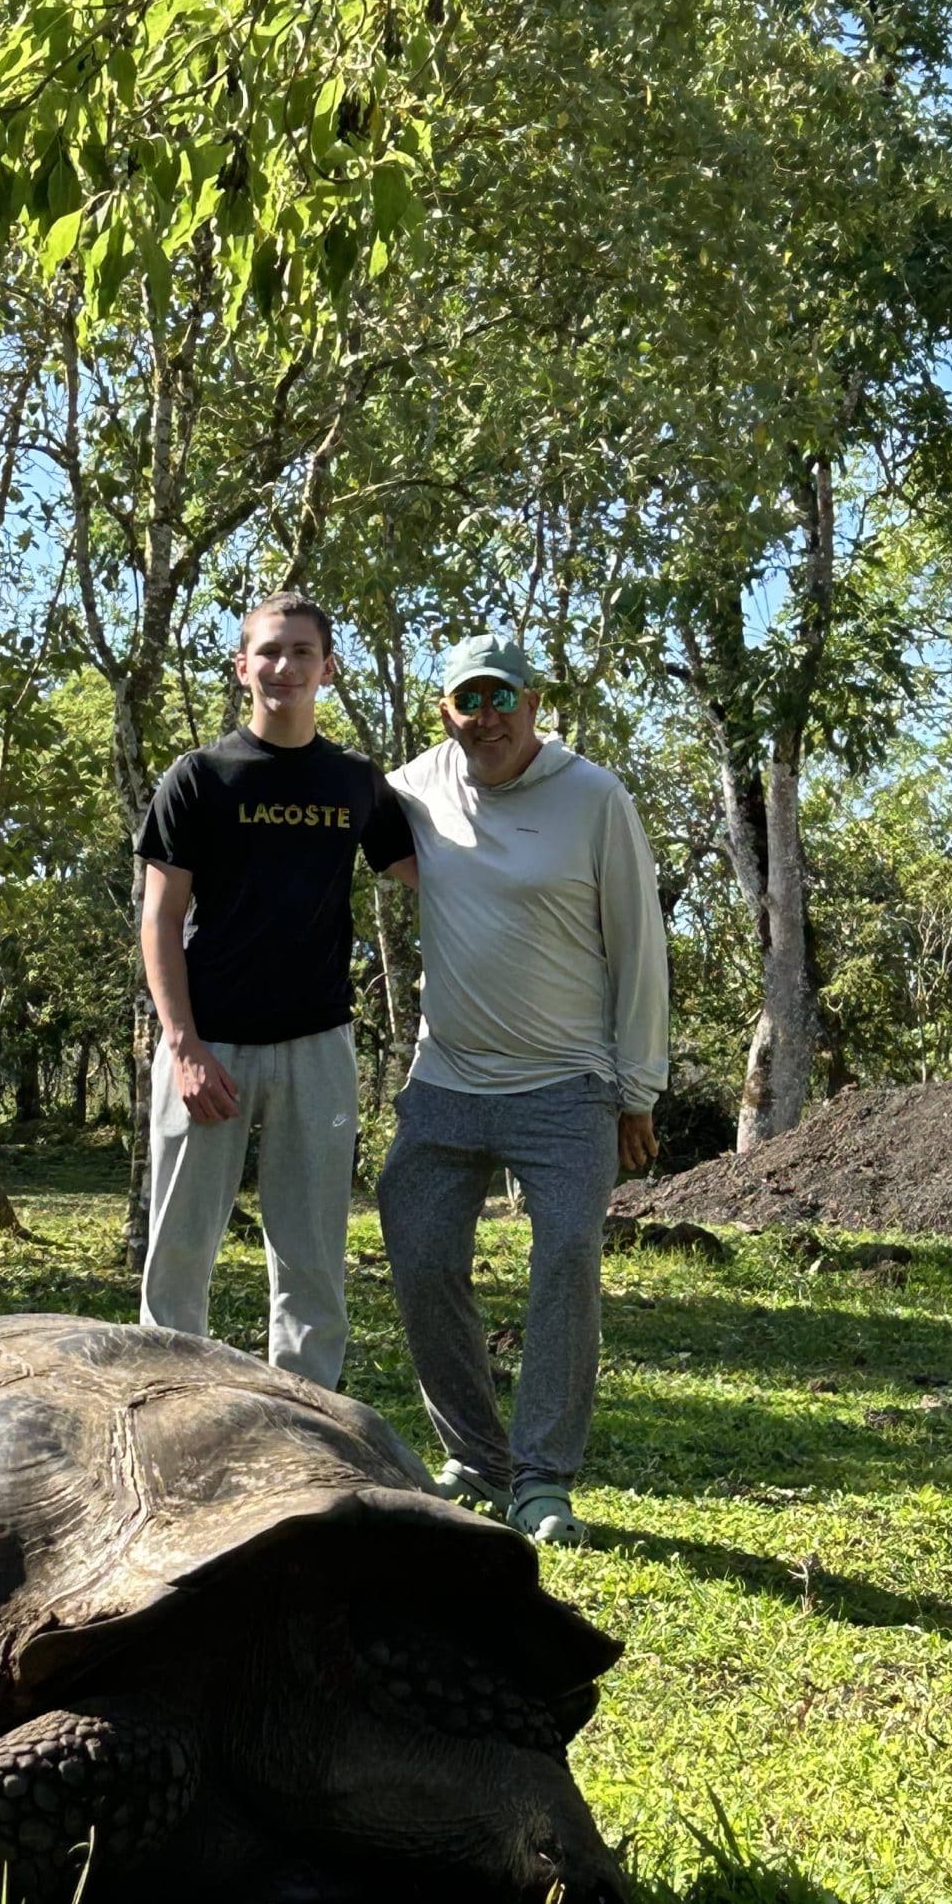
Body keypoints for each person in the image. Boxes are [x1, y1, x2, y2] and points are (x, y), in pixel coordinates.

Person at [377, 634, 669, 1546]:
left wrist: (637, 1088)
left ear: (537, 702)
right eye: (471, 699)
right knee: (420, 1251)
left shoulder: (594, 798)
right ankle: (475, 1456)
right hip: (447, 1080)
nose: (488, 717)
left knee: (568, 1258)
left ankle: (542, 1480)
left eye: (505, 697)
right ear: (446, 712)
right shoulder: (412, 789)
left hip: (567, 1085)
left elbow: (637, 943)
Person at [137, 591, 418, 1386]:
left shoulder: (358, 782)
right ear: (241, 666)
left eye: (301, 652)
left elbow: (430, 876)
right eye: (268, 651)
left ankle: (306, 1424)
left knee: (312, 1260)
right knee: (180, 1254)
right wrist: (183, 1047)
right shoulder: (200, 778)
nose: (284, 666)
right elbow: (161, 921)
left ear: (328, 668)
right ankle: (168, 1413)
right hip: (208, 1046)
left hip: (316, 1047)